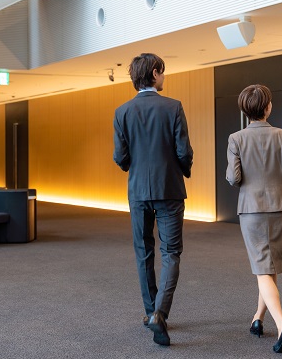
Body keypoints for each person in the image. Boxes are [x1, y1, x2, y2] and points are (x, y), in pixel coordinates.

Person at [113, 53, 194, 346]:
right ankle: (160, 313)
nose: (164, 77)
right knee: (171, 253)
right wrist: (182, 169)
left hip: (138, 193)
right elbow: (184, 151)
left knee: (144, 251)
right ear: (156, 72)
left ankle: (151, 313)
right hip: (169, 189)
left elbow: (120, 157)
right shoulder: (173, 107)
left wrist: (134, 169)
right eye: (164, 72)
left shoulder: (122, 112)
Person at [226, 84, 282, 354]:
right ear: (268, 107)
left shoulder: (236, 139)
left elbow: (233, 178)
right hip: (280, 208)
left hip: (252, 210)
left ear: (245, 111)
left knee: (262, 268)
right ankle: (258, 318)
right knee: (268, 268)